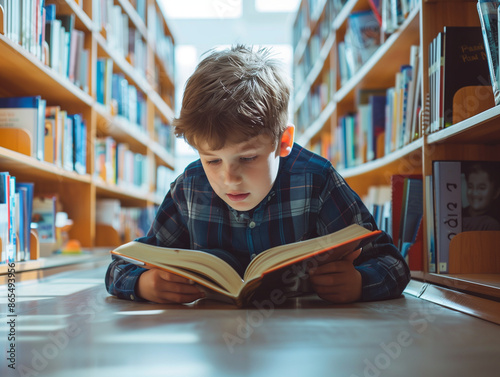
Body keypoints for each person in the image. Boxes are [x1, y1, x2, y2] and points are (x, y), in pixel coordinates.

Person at [105, 45, 410, 305]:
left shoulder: (316, 180)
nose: (229, 178)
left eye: (247, 157)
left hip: (306, 340)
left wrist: (358, 282)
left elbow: (393, 264)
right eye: (212, 161)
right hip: (211, 340)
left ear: (283, 142)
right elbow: (120, 266)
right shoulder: (189, 188)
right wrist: (144, 284)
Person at [462, 162, 500, 231]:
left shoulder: (493, 224)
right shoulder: (458, 213)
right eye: (470, 186)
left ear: (496, 192)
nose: (474, 193)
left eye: (481, 188)